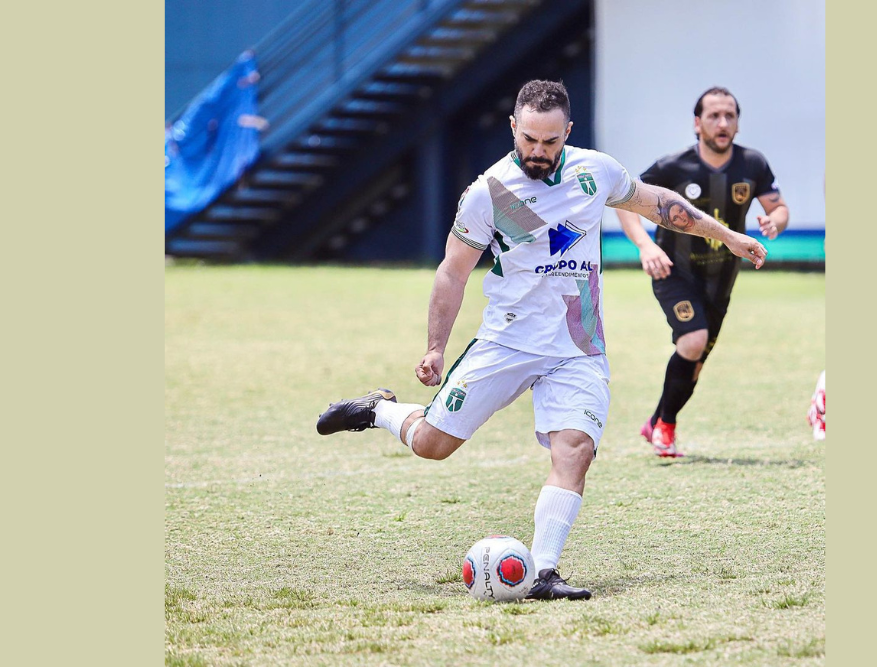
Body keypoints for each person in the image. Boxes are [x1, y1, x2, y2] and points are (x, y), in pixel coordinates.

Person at [316, 81, 767, 600]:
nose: (537, 151)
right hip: (507, 342)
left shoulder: (595, 171)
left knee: (574, 449)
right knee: (433, 445)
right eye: (529, 139)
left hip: (579, 346)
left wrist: (729, 236)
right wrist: (436, 346)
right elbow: (452, 273)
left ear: (567, 133)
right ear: (513, 128)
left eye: (550, 142)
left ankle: (544, 571)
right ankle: (379, 410)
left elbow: (659, 204)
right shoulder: (489, 192)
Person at [616, 86, 789, 458]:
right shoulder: (672, 166)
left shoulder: (753, 164)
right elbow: (625, 201)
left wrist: (774, 222)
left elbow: (779, 207)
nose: (722, 122)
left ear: (738, 124)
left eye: (730, 115)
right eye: (713, 115)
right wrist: (646, 246)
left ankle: (658, 421)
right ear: (698, 123)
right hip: (673, 272)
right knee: (693, 341)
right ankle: (666, 428)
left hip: (722, 280)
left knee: (693, 363)